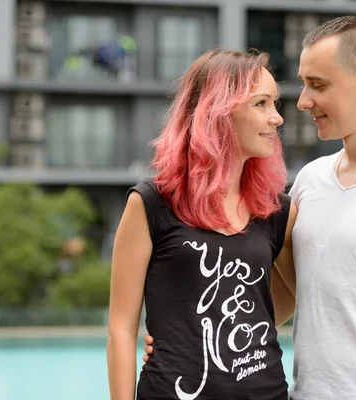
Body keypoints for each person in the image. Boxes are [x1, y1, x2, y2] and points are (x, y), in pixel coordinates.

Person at [144, 16, 356, 400]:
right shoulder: (310, 180)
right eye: (303, 84)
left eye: (318, 85)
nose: (303, 102)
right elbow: (286, 294)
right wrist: (188, 339)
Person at [107, 49, 298, 400]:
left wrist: (235, 325)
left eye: (275, 103)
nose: (277, 118)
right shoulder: (152, 203)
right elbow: (121, 328)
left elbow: (285, 298)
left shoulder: (276, 210)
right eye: (261, 104)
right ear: (218, 111)